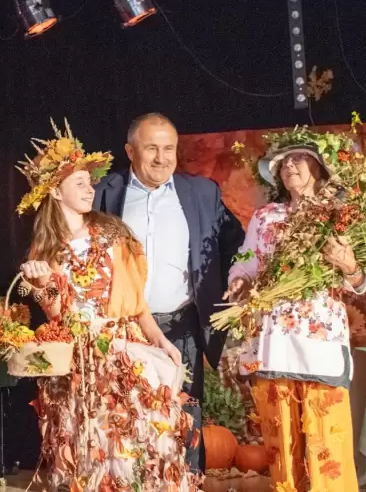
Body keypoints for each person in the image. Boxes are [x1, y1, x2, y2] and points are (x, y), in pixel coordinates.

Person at [17, 120, 202, 492]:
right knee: (90, 447)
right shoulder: (45, 251)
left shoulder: (113, 234)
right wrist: (42, 285)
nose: (90, 189)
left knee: (137, 444)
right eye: (79, 183)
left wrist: (159, 340)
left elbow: (136, 303)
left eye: (90, 182)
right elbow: (58, 317)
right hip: (80, 362)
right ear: (55, 191)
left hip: (124, 352)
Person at [93, 113, 245, 471]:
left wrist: (238, 280)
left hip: (182, 327)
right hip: (124, 329)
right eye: (151, 149)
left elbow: (237, 245)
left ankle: (188, 483)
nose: (161, 158)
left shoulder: (202, 193)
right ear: (130, 151)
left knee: (184, 421)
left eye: (169, 149)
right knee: (127, 421)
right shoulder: (104, 193)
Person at [224, 142, 366, 491]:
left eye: (298, 159)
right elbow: (246, 260)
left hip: (320, 342)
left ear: (319, 167)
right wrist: (239, 280)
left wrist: (349, 265)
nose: (288, 166)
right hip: (275, 342)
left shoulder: (338, 214)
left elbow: (360, 283)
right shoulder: (266, 216)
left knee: (327, 443)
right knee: (282, 443)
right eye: (283, 163)